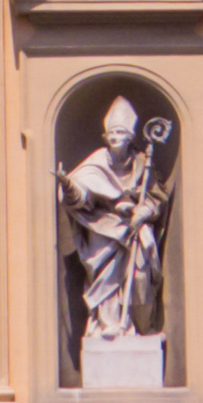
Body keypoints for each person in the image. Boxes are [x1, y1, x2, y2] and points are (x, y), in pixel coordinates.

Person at [59, 97, 174, 349]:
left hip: (135, 226)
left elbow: (157, 195)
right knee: (106, 278)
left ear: (130, 136)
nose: (115, 137)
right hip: (102, 227)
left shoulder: (144, 162)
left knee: (142, 274)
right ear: (105, 136)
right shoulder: (96, 162)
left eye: (120, 132)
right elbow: (80, 195)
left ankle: (140, 326)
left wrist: (145, 211)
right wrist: (68, 186)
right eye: (111, 133)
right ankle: (108, 324)